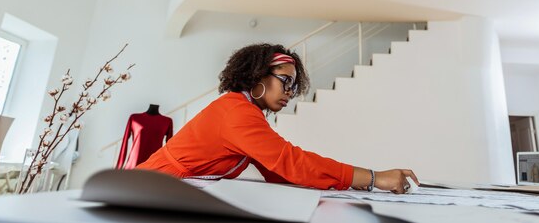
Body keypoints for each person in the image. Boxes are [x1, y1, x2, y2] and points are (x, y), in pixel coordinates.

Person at [137, 43, 419, 193]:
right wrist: (374, 178)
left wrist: (349, 182)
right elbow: (291, 163)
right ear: (257, 76)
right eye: (285, 80)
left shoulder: (243, 111)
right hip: (150, 190)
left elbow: (278, 171)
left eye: (293, 86)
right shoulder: (236, 112)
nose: (289, 92)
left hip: (168, 190)